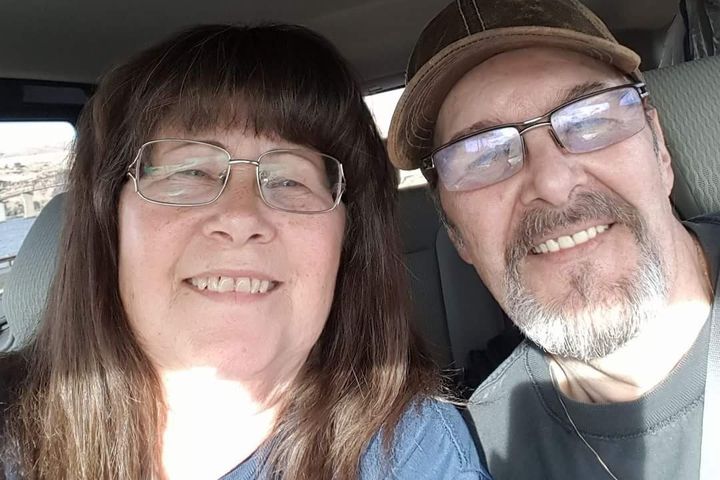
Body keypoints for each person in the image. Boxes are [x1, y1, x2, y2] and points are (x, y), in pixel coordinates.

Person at [0, 24, 490, 480]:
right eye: (190, 171)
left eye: (290, 179)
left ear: (347, 240)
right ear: (110, 222)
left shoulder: (411, 452)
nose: (240, 217)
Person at [387, 0, 719, 478]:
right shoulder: (465, 455)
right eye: (482, 154)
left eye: (589, 118)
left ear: (659, 148)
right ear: (455, 231)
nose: (553, 183)